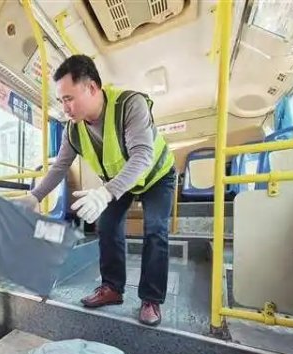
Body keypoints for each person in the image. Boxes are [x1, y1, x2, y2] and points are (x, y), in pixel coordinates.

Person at [16, 55, 175, 326]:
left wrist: (104, 193)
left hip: (156, 176)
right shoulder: (73, 130)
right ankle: (112, 288)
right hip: (120, 181)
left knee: (156, 229)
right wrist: (34, 196)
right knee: (108, 225)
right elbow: (60, 166)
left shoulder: (130, 105)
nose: (65, 108)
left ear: (91, 88)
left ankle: (151, 299)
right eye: (61, 100)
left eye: (69, 98)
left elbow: (142, 156)